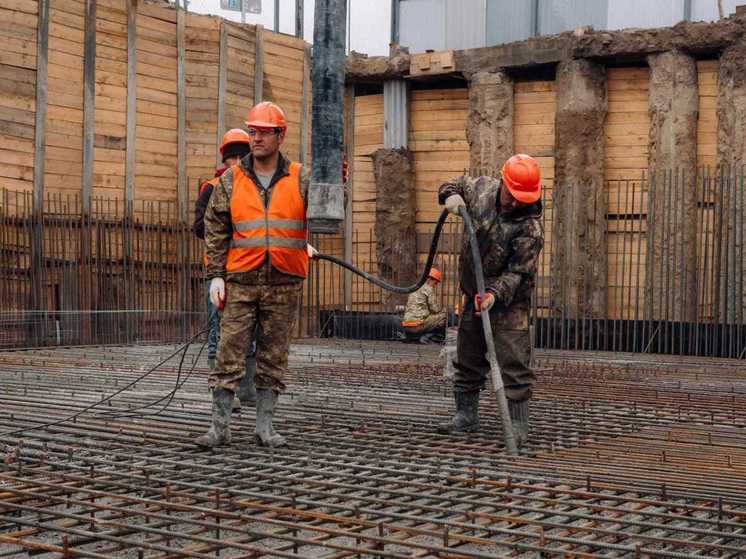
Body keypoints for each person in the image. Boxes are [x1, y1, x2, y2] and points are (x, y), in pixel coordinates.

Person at [198, 102, 319, 448]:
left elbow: (326, 207)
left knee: (273, 354)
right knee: (228, 351)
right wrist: (216, 275)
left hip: (283, 281)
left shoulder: (301, 176)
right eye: (252, 131)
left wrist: (334, 183)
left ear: (280, 135)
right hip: (242, 280)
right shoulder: (232, 179)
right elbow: (215, 226)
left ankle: (265, 427)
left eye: (264, 131)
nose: (256, 138)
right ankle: (219, 427)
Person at [436, 154, 544, 449]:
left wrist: (495, 293)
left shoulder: (530, 228)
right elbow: (452, 184)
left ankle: (518, 424)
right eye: (512, 195)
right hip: (473, 293)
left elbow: (519, 272)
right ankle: (466, 415)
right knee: (468, 354)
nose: (515, 203)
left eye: (522, 198)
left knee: (513, 360)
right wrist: (452, 196)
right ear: (503, 182)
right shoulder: (481, 188)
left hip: (509, 302)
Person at [193, 128, 257, 409]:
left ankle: (248, 390)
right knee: (219, 332)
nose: (238, 162)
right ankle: (222, 394)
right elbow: (199, 227)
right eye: (234, 157)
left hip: (249, 270)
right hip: (220, 271)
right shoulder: (212, 186)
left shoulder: (255, 186)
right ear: (227, 159)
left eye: (241, 157)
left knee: (249, 330)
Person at [401, 268, 447, 341]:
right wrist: (443, 310)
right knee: (443, 316)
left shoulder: (415, 287)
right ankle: (428, 336)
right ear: (430, 279)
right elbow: (435, 309)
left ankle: (411, 336)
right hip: (418, 325)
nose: (435, 285)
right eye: (435, 283)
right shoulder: (429, 289)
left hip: (406, 324)